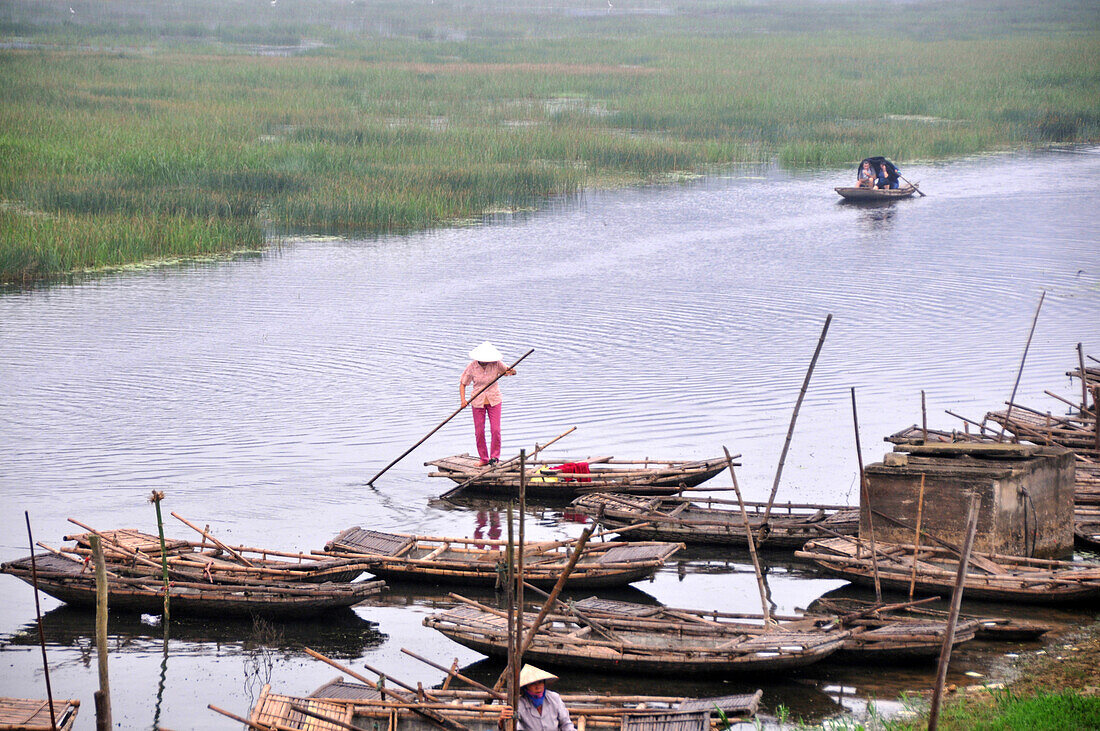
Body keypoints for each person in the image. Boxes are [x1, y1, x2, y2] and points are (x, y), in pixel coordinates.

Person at [459, 342, 516, 466]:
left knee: (495, 430)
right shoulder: (472, 367)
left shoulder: (496, 364)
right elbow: (463, 383)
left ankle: (494, 458)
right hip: (477, 401)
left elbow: (507, 372)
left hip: (494, 400)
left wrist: (512, 371)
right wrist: (463, 401)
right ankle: (483, 459)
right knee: (479, 431)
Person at [498, 665, 576, 731]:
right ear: (526, 687)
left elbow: (566, 723)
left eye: (540, 682)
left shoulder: (554, 698)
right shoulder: (519, 704)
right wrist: (502, 721)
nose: (538, 687)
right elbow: (512, 724)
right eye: (533, 684)